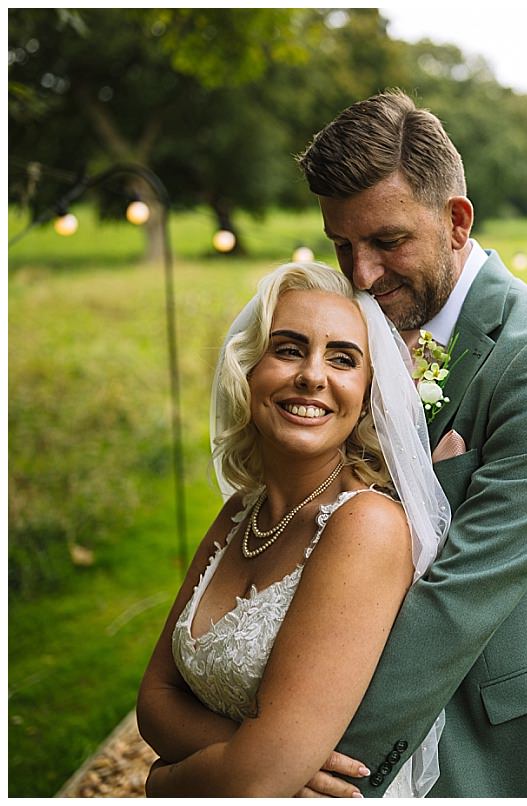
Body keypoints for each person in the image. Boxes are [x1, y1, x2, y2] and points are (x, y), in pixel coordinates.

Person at [297, 88, 527, 796]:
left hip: (525, 755)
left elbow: (465, 591)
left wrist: (297, 762)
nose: (361, 274)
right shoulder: (346, 345)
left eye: (388, 242)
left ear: (457, 221)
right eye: (343, 245)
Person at [136, 262, 451, 796]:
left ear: (370, 392)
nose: (312, 375)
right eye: (287, 349)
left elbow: (256, 781)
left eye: (343, 359)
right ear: (249, 369)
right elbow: (155, 700)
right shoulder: (241, 512)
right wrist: (248, 758)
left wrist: (165, 782)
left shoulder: (366, 526)